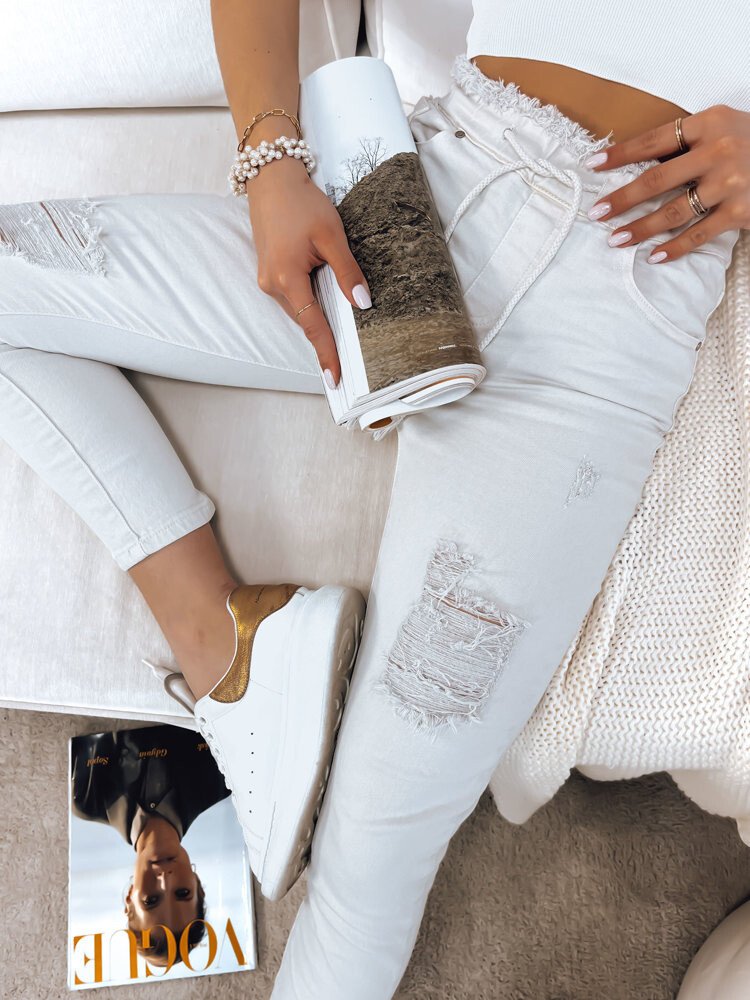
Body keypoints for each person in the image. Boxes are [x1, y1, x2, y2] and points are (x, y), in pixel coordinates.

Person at [1, 0, 748, 996]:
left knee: (368, 867)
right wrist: (270, 164)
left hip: (616, 313)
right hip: (422, 199)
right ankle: (224, 641)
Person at [71, 724, 227, 964]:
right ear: (198, 887)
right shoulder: (220, 777)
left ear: (129, 899)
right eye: (183, 893)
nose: (165, 878)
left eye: (151, 900)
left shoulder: (86, 798)